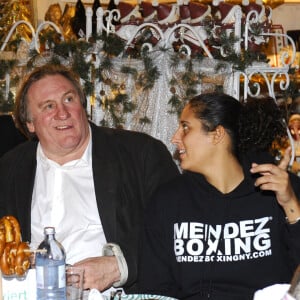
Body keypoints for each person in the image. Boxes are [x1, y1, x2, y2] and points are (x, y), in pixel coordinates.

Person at [0, 64, 179, 294]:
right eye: (48, 106)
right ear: (30, 123)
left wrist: (118, 266)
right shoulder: (10, 169)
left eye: (68, 99)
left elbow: (177, 230)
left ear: (83, 105)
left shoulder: (140, 154)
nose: (62, 113)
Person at [138, 93, 300, 300]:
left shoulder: (278, 188)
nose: (175, 137)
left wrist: (290, 205)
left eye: (186, 127)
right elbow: (154, 289)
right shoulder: (167, 201)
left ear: (217, 134)